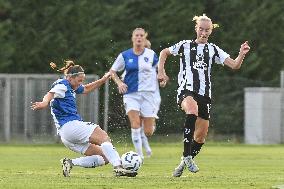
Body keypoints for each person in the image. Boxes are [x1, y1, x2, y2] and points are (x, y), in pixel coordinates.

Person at [157, 14, 250, 177]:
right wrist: (161, 72)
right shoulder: (185, 45)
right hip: (186, 91)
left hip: (204, 95)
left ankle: (182, 162)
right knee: (191, 110)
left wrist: (242, 53)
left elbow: (234, 65)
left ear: (211, 31)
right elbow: (164, 52)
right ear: (196, 28)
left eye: (207, 30)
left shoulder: (213, 49)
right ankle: (186, 156)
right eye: (201, 29)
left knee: (200, 138)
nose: (204, 32)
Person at [31, 60, 136, 177]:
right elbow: (50, 94)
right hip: (70, 126)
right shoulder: (62, 85)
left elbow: (86, 89)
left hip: (66, 136)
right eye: (79, 80)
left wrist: (102, 80)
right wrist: (44, 102)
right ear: (70, 78)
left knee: (105, 157)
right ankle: (118, 167)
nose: (80, 83)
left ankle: (70, 162)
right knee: (103, 137)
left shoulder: (71, 86)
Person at [109, 28, 161, 159]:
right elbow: (112, 71)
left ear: (145, 38)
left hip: (148, 95)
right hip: (131, 94)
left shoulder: (151, 54)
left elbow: (159, 71)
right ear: (132, 38)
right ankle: (140, 156)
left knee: (148, 131)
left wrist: (162, 78)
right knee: (135, 123)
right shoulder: (125, 55)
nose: (139, 38)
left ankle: (147, 133)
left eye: (141, 36)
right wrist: (119, 83)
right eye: (136, 35)